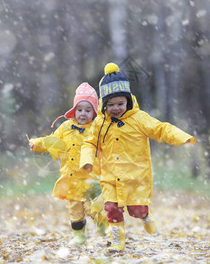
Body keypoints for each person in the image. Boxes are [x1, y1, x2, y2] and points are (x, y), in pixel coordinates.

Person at [80, 63, 196, 252]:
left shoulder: (139, 118)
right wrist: (86, 160)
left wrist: (182, 137)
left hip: (136, 177)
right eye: (110, 105)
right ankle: (118, 242)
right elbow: (89, 143)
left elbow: (160, 129)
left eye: (120, 104)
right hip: (110, 177)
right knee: (111, 209)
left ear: (128, 101)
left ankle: (145, 215)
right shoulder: (100, 123)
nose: (116, 108)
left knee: (136, 210)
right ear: (103, 104)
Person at [29, 82, 106, 246]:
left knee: (93, 207)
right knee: (74, 209)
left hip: (90, 177)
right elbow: (53, 142)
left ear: (94, 111)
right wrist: (37, 144)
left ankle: (101, 223)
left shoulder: (97, 128)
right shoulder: (65, 127)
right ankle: (79, 236)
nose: (83, 114)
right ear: (74, 110)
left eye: (88, 110)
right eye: (79, 110)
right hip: (70, 178)